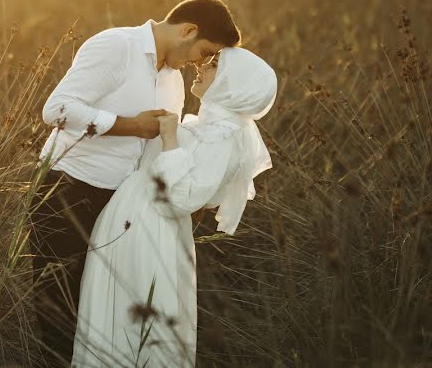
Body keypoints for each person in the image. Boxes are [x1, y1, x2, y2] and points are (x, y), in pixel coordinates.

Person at [28, 0, 241, 367]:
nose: (200, 63)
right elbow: (57, 109)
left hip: (120, 209)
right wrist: (129, 126)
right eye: (204, 51)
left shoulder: (173, 82)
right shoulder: (117, 46)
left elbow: (157, 148)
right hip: (67, 193)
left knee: (99, 319)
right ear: (188, 30)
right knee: (58, 312)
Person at [71, 47, 277, 367]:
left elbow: (179, 201)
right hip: (131, 222)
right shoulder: (208, 126)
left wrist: (169, 139)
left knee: (133, 323)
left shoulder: (224, 137)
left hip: (150, 233)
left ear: (232, 84)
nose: (202, 67)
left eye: (214, 66)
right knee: (111, 320)